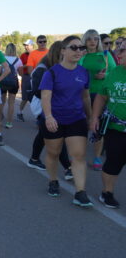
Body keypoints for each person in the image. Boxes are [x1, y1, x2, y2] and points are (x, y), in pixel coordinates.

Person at [39, 35, 93, 208]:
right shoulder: (52, 72)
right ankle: (53, 180)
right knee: (53, 153)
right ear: (63, 50)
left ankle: (80, 192)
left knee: (78, 155)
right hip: (54, 119)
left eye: (81, 48)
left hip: (76, 119)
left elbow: (85, 97)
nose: (79, 51)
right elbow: (45, 97)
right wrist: (48, 117)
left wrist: (91, 117)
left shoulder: (83, 72)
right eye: (74, 47)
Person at [27, 41, 73, 181]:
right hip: (43, 107)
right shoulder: (42, 69)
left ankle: (34, 159)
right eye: (64, 52)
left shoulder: (59, 67)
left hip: (55, 106)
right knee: (57, 136)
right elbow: (38, 92)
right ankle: (68, 167)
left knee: (43, 134)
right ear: (58, 53)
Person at [90, 41, 126, 208]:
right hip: (116, 129)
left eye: (123, 50)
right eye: (118, 49)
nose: (118, 53)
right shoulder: (114, 72)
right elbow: (102, 96)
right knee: (113, 162)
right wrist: (95, 117)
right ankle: (107, 192)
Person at [79, 29, 117, 171]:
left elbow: (114, 73)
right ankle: (78, 155)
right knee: (81, 125)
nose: (93, 42)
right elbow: (75, 69)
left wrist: (105, 75)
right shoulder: (81, 55)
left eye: (95, 39)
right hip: (82, 94)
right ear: (85, 41)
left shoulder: (105, 55)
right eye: (89, 39)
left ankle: (96, 157)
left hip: (100, 95)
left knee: (97, 127)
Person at [0, 43, 23, 129]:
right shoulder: (18, 60)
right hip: (13, 83)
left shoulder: (2, 59)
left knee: (1, 102)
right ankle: (9, 123)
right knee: (11, 103)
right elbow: (20, 73)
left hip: (3, 82)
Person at [17, 39, 34, 122]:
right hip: (26, 77)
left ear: (32, 46)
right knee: (25, 97)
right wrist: (26, 66)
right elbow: (19, 67)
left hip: (36, 77)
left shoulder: (35, 54)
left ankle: (39, 117)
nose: (25, 47)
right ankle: (20, 112)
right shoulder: (23, 55)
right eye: (25, 45)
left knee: (36, 97)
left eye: (27, 45)